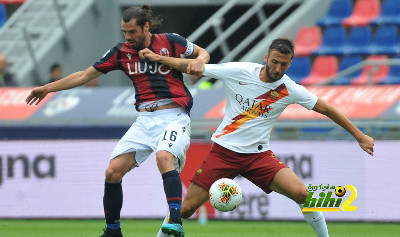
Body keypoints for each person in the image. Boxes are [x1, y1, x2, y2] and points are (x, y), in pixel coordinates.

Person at [139, 38, 374, 237]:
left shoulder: (289, 88)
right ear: (266, 57)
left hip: (258, 156)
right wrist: (160, 59)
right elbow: (192, 67)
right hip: (223, 152)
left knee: (303, 194)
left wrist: (360, 136)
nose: (278, 68)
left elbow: (326, 108)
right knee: (186, 208)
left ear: (290, 63)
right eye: (275, 62)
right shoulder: (239, 72)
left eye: (284, 64)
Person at [25, 4, 209, 237]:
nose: (128, 37)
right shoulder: (121, 52)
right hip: (144, 120)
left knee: (164, 158)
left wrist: (201, 60)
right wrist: (47, 88)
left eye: (132, 32)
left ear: (146, 26)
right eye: (124, 32)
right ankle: (113, 231)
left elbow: (202, 53)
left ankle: (175, 221)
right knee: (112, 172)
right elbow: (84, 75)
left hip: (174, 116)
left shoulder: (170, 41)